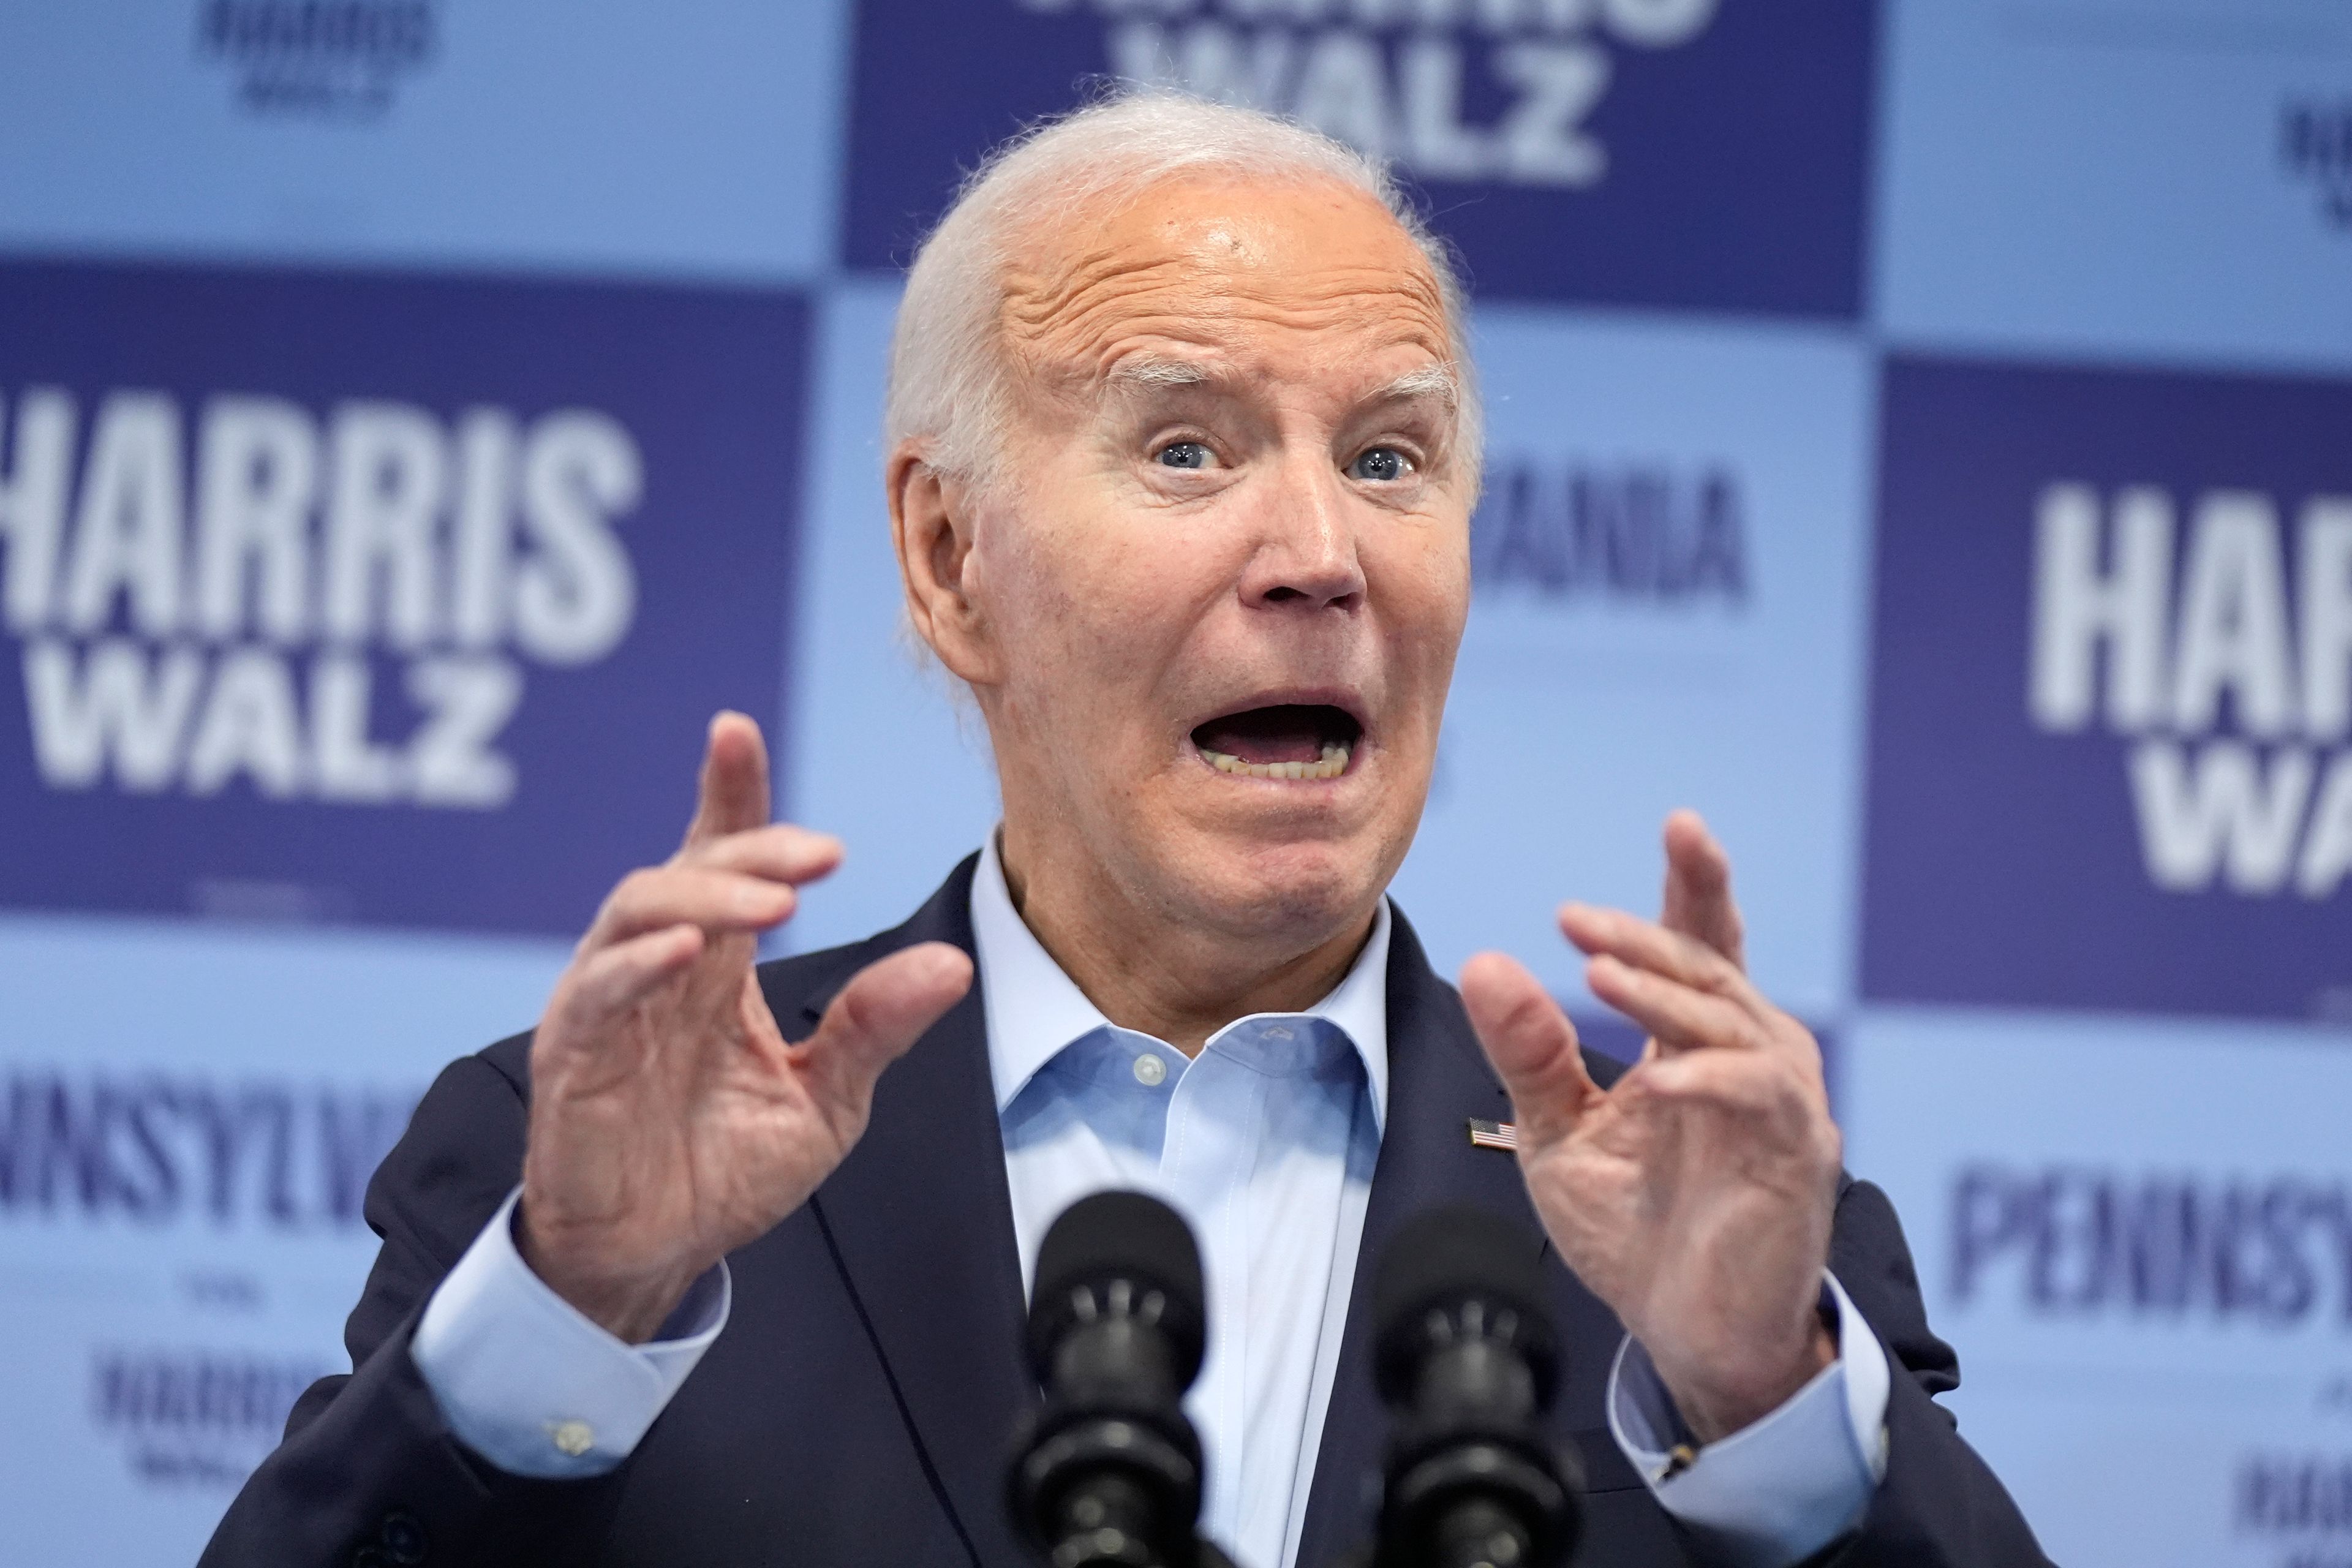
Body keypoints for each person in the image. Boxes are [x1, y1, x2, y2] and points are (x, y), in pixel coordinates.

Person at [203, 91, 2048, 1568]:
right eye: (1188, 447)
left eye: (1391, 459)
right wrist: (567, 1322)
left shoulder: (1705, 1226)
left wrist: (1767, 1410)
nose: (1323, 555)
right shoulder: (592, 1177)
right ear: (950, 560)